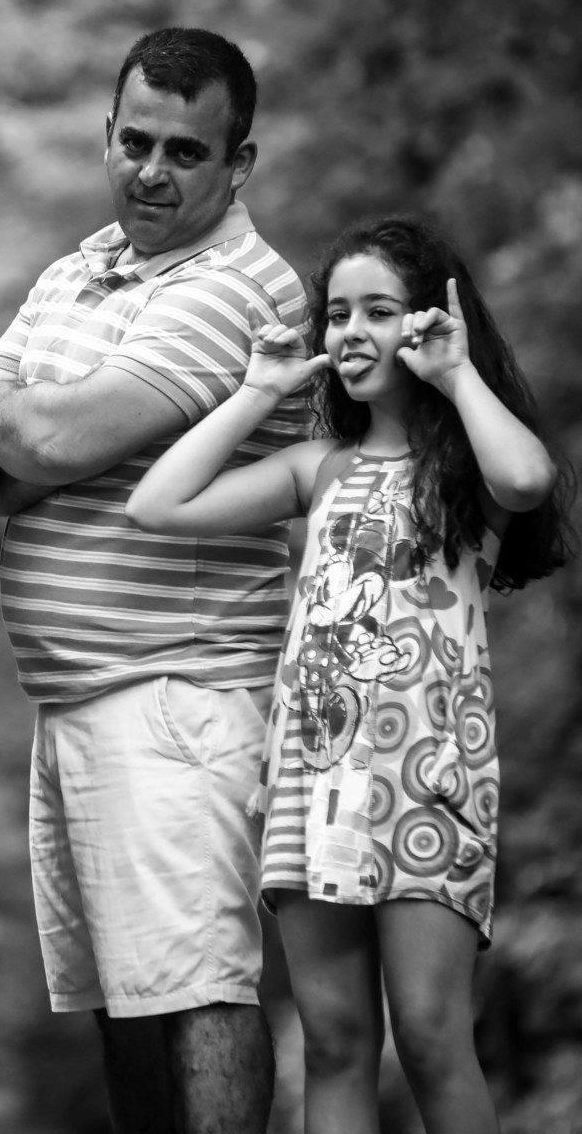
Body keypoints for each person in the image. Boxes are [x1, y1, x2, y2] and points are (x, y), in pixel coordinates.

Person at [126, 214, 575, 1134]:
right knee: (332, 1042)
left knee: (432, 1036)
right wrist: (258, 391)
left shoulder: (465, 468)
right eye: (337, 314)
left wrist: (457, 374)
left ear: (427, 322)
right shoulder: (316, 470)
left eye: (379, 311)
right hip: (312, 782)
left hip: (427, 780)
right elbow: (156, 504)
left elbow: (529, 480)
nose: (352, 332)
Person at [0, 27, 308, 1132]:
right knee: (125, 999)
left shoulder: (240, 290)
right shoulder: (79, 268)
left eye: (186, 152)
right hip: (78, 699)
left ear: (238, 164)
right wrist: (17, 429)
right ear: (106, 133)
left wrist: (17, 418)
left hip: (178, 695)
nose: (152, 171)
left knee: (199, 987)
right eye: (136, 142)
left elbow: (43, 442)